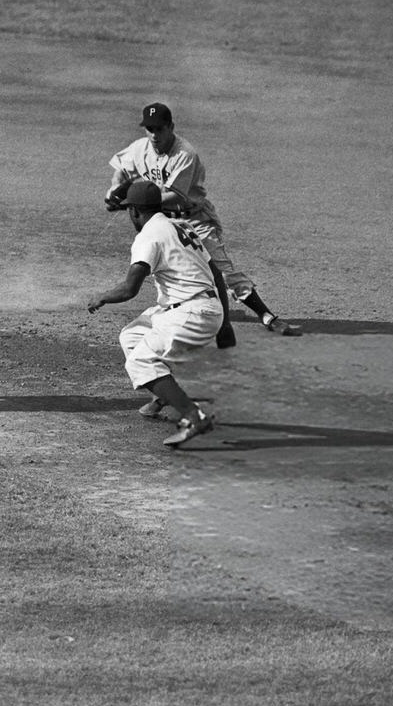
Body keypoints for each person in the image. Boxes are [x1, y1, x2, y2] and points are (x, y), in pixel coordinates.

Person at [104, 101, 300, 338]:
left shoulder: (185, 154)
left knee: (221, 270)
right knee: (163, 266)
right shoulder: (140, 148)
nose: (154, 135)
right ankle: (182, 310)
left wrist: (137, 202)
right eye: (150, 129)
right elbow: (122, 170)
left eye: (160, 129)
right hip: (165, 221)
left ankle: (267, 315)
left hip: (195, 219)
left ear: (171, 127)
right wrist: (114, 189)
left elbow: (176, 196)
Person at [88, 179, 230, 449]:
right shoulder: (180, 224)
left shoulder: (149, 236)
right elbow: (216, 274)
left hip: (191, 312)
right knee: (132, 336)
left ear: (134, 211)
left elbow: (130, 288)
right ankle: (164, 395)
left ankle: (194, 417)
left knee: (139, 363)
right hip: (199, 307)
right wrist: (226, 323)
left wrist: (102, 297)